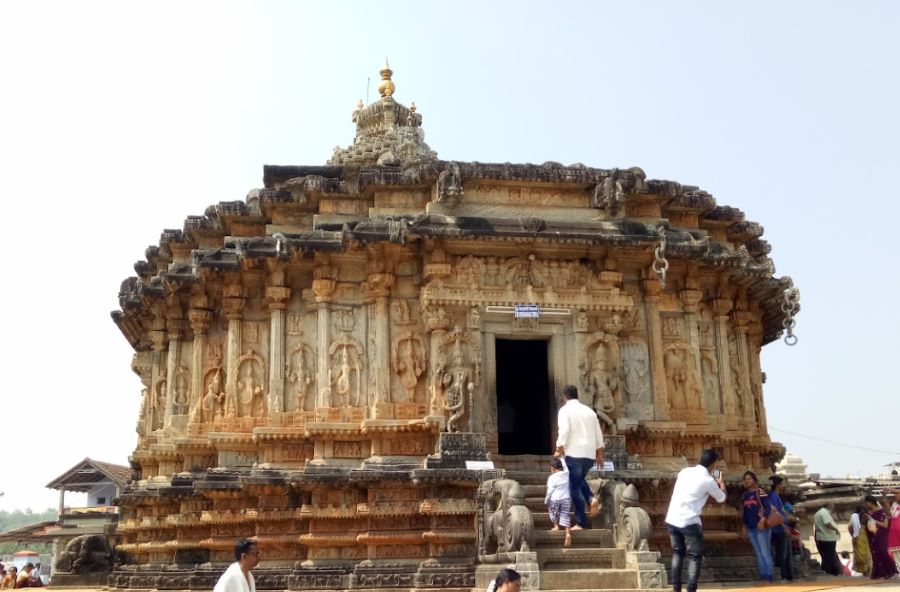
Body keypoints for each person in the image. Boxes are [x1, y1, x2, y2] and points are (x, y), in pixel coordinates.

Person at [664, 448, 727, 592]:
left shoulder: (684, 472)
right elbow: (721, 498)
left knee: (677, 553)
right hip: (690, 521)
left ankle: (676, 588)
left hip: (673, 518)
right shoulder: (708, 480)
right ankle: (691, 589)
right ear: (712, 465)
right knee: (694, 557)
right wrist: (721, 484)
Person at [554, 384, 603, 530]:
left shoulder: (565, 410)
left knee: (573, 487)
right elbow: (598, 433)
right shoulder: (589, 412)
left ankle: (581, 522)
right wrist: (599, 454)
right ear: (577, 395)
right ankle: (591, 498)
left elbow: (565, 430)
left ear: (564, 396)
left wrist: (559, 448)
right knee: (579, 479)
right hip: (589, 455)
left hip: (574, 453)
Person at [741, 471, 774, 584]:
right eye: (745, 479)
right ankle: (763, 576)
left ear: (754, 480)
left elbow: (768, 508)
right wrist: (744, 526)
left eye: (749, 478)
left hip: (761, 527)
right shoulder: (745, 495)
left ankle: (768, 577)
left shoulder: (760, 492)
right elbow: (745, 511)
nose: (747, 481)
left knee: (765, 552)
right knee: (758, 553)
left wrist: (763, 520)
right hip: (750, 528)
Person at [864, 494, 898, 579]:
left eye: (866, 503)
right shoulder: (869, 512)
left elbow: (885, 525)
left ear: (870, 502)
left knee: (883, 552)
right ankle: (879, 573)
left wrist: (872, 519)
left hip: (881, 534)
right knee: (875, 553)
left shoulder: (882, 511)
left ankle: (891, 571)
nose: (865, 505)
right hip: (872, 535)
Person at [767, 475, 792, 581]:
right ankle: (783, 575)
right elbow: (775, 513)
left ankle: (786, 575)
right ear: (778, 485)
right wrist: (784, 527)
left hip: (781, 528)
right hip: (778, 530)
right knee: (782, 554)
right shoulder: (773, 497)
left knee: (784, 554)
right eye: (781, 484)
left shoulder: (776, 496)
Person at [545, 457, 573, 547]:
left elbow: (550, 490)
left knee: (553, 512)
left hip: (555, 499)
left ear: (553, 468)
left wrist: (546, 499)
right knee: (565, 514)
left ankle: (556, 526)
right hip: (566, 498)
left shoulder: (552, 477)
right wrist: (561, 457)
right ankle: (568, 533)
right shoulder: (566, 473)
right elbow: (565, 465)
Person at [813, 503, 842, 576]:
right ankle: (828, 571)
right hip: (827, 537)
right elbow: (827, 523)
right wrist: (836, 529)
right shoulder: (824, 513)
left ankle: (830, 571)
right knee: (829, 555)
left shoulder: (818, 513)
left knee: (826, 555)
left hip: (822, 537)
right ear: (830, 507)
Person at [849, 504, 873, 576]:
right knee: (866, 554)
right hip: (863, 537)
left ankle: (866, 571)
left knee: (862, 554)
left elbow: (849, 527)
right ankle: (867, 571)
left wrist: (853, 535)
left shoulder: (855, 517)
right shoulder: (865, 516)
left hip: (860, 537)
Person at [888, 488, 900, 573]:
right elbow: (889, 515)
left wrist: (890, 489)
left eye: (897, 494)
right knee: (897, 556)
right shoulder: (894, 505)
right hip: (894, 535)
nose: (895, 495)